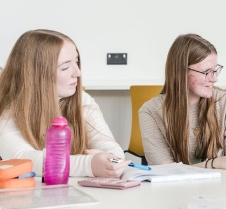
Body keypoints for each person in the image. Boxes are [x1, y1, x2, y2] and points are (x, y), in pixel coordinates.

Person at [0, 29, 130, 177]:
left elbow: (108, 145)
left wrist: (111, 157)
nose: (77, 72)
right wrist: (89, 164)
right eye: (65, 67)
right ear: (36, 75)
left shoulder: (83, 100)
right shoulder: (5, 108)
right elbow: (23, 159)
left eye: (77, 62)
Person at [139, 33, 226, 170]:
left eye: (215, 70)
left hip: (222, 187)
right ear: (181, 71)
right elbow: (166, 172)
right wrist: (214, 163)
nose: (214, 79)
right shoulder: (150, 111)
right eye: (206, 72)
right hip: (174, 191)